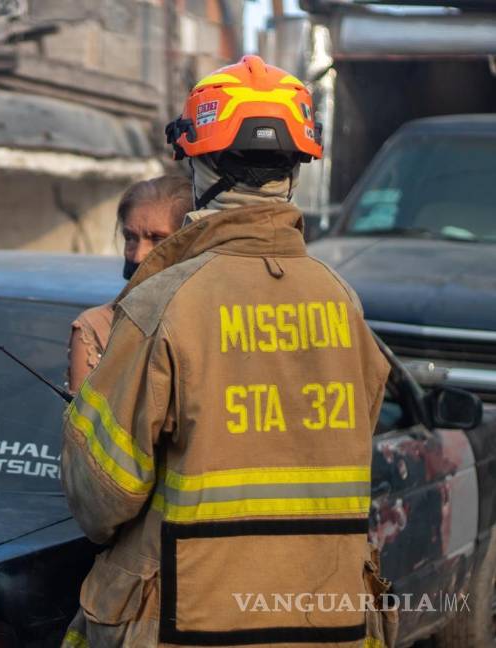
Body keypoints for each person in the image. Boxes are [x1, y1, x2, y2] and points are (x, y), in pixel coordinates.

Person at [60, 56, 392, 647]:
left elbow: (103, 496)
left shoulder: (163, 303)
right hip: (326, 625)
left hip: (189, 624)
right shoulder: (344, 304)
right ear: (296, 168)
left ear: (200, 163)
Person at [67, 175, 192, 392]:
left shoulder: (213, 319)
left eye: (157, 239)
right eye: (130, 238)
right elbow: (84, 422)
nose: (137, 255)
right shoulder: (98, 327)